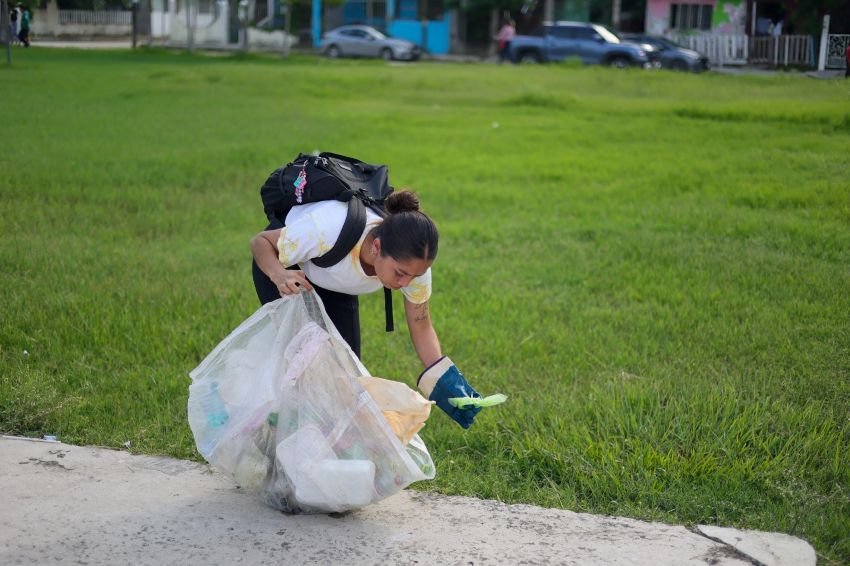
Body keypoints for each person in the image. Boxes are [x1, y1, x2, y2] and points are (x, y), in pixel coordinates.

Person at [250, 189, 483, 429]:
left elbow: (420, 323)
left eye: (415, 276)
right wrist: (279, 275)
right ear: (377, 247)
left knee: (346, 379)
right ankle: (264, 428)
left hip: (336, 282)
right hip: (285, 271)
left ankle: (327, 444)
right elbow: (260, 242)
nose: (406, 283)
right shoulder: (327, 229)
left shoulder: (413, 267)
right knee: (306, 363)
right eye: (400, 274)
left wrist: (444, 379)